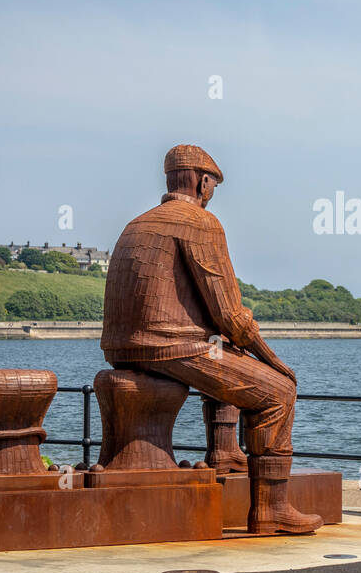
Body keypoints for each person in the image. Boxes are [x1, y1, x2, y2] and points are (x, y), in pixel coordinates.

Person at [101, 144, 321, 534]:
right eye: (213, 184)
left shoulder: (137, 223)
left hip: (124, 347)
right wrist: (271, 360)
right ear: (203, 182)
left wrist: (231, 342)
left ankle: (224, 453)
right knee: (278, 393)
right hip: (171, 347)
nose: (212, 192)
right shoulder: (200, 222)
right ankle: (272, 509)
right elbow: (230, 314)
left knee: (228, 355)